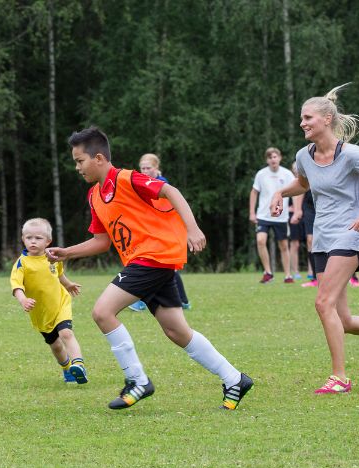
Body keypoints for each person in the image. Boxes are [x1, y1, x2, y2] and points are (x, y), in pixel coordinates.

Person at [46, 126, 253, 410]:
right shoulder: (94, 196)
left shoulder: (128, 178)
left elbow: (170, 191)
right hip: (149, 263)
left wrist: (192, 228)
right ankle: (235, 379)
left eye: (79, 161)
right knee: (177, 331)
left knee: (102, 312)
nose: (77, 167)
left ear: (98, 158)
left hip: (152, 258)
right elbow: (102, 241)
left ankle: (137, 380)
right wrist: (67, 253)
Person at [270, 84, 359, 394]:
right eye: (302, 118)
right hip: (322, 239)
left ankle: (340, 378)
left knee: (323, 303)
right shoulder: (304, 156)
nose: (302, 123)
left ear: (327, 119)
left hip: (350, 236)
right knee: (342, 319)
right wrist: (280, 192)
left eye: (308, 118)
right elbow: (303, 184)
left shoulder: (354, 155)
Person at [10, 218, 88, 384]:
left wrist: (68, 284)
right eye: (29, 237)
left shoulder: (52, 257)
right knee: (56, 346)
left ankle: (78, 364)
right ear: (23, 239)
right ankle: (67, 368)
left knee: (66, 333)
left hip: (60, 303)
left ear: (48, 241)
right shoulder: (21, 263)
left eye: (38, 238)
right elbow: (16, 286)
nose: (33, 241)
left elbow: (59, 274)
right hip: (41, 313)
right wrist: (23, 300)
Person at [129, 153, 191, 312]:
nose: (145, 171)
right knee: (166, 268)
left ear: (156, 167)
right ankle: (183, 301)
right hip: (153, 230)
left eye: (148, 168)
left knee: (155, 265)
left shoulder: (162, 184)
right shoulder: (143, 183)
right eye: (142, 168)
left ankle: (141, 301)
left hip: (164, 231)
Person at [249, 147, 297, 283]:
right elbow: (254, 192)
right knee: (260, 240)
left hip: (281, 215)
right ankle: (268, 272)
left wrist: (296, 210)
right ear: (267, 160)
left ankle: (288, 275)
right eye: (270, 157)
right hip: (263, 215)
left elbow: (296, 191)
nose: (273, 159)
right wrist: (252, 212)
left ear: (280, 158)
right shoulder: (261, 174)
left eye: (275, 157)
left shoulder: (287, 174)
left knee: (283, 245)